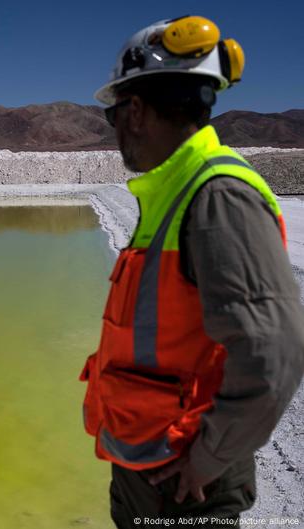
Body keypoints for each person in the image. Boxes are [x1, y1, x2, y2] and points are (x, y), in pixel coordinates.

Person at [80, 15, 304, 527]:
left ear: (134, 111)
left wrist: (209, 458)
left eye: (113, 116)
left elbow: (275, 352)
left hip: (184, 486)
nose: (114, 132)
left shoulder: (218, 197)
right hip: (149, 468)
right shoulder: (171, 194)